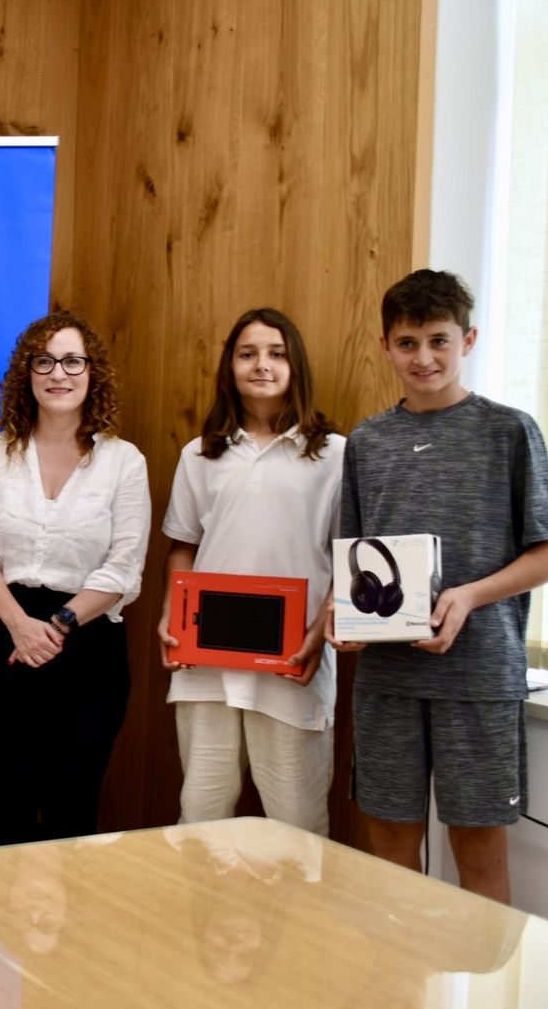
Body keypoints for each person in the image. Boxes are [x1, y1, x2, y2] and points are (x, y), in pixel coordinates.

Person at [328, 269, 548, 904]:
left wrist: (469, 596)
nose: (424, 358)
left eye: (438, 340)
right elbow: (353, 562)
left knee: (480, 856)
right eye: (407, 343)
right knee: (390, 855)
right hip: (387, 679)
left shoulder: (508, 431)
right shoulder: (367, 442)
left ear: (468, 340)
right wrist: (341, 618)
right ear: (385, 346)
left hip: (480, 678)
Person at [0, 309, 151, 847]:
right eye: (44, 362)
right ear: (28, 373)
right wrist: (19, 625)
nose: (58, 373)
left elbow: (124, 567)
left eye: (72, 361)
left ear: (92, 372)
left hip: (88, 646)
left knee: (71, 812)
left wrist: (59, 625)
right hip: (1, 639)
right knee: (3, 808)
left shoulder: (124, 462)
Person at [155, 308, 343, 834]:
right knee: (201, 819)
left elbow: (349, 561)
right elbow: (183, 547)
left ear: (295, 365)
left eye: (276, 353)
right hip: (206, 665)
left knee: (298, 826)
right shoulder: (199, 454)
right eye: (248, 354)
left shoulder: (335, 454)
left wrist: (319, 631)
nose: (262, 364)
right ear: (229, 367)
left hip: (293, 661)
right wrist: (171, 615)